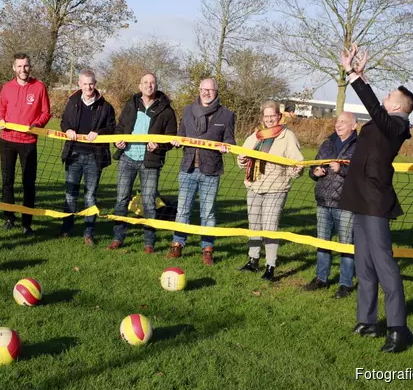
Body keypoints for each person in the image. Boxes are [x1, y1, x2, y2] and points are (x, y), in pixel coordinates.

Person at [339, 43, 413, 353]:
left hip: (374, 199)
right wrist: (360, 75)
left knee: (384, 264)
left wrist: (356, 78)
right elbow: (375, 115)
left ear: (397, 106)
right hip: (359, 197)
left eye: (388, 97)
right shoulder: (386, 122)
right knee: (365, 263)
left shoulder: (397, 125)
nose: (383, 99)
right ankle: (367, 320)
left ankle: (399, 328)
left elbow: (376, 111)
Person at [166, 78, 236, 265]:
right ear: (199, 90)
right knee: (182, 210)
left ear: (216, 92)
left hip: (211, 171)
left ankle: (207, 248)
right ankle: (177, 244)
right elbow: (182, 134)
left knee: (208, 213)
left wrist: (226, 146)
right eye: (204, 89)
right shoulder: (188, 110)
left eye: (210, 90)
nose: (206, 93)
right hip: (187, 168)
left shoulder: (227, 115)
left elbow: (230, 140)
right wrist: (177, 140)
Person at [107, 73, 177, 253]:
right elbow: (120, 127)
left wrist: (159, 145)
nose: (149, 85)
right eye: (145, 82)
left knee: (149, 203)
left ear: (156, 85)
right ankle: (117, 237)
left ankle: (149, 242)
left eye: (152, 82)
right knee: (121, 200)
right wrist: (118, 140)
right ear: (140, 86)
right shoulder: (131, 105)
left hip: (150, 162)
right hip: (127, 159)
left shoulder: (166, 110)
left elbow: (171, 139)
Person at [236, 101, 303, 279]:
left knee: (270, 227)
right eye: (266, 116)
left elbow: (297, 163)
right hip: (254, 186)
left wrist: (295, 171)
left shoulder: (287, 136)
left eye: (272, 116)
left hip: (277, 188)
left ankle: (270, 266)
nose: (270, 119)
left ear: (279, 116)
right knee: (254, 226)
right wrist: (241, 161)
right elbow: (241, 156)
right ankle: (253, 260)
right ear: (262, 118)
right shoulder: (256, 136)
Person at [304, 112, 358, 297]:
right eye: (337, 121)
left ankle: (345, 284)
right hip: (323, 199)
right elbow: (314, 166)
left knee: (346, 244)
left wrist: (342, 169)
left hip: (346, 202)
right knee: (322, 242)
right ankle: (321, 279)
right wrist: (315, 171)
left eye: (343, 122)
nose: (339, 124)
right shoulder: (327, 143)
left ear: (354, 126)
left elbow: (362, 173)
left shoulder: (359, 146)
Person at [59, 70, 116, 245]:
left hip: (94, 156)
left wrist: (99, 132)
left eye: (91, 83)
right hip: (74, 154)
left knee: (90, 196)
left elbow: (112, 128)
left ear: (95, 83)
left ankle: (89, 233)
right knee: (70, 194)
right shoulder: (72, 102)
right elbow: (64, 122)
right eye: (85, 84)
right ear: (79, 84)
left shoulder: (106, 107)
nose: (88, 87)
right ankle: (66, 228)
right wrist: (67, 129)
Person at [0, 53, 51, 235]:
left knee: (28, 183)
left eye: (26, 66)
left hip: (28, 142)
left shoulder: (39, 87)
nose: (23, 69)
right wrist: (1, 119)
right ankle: (8, 218)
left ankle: (26, 222)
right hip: (7, 140)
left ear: (30, 67)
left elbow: (46, 113)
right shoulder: (6, 88)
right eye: (19, 66)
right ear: (14, 68)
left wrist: (36, 126)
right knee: (7, 181)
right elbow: (2, 109)